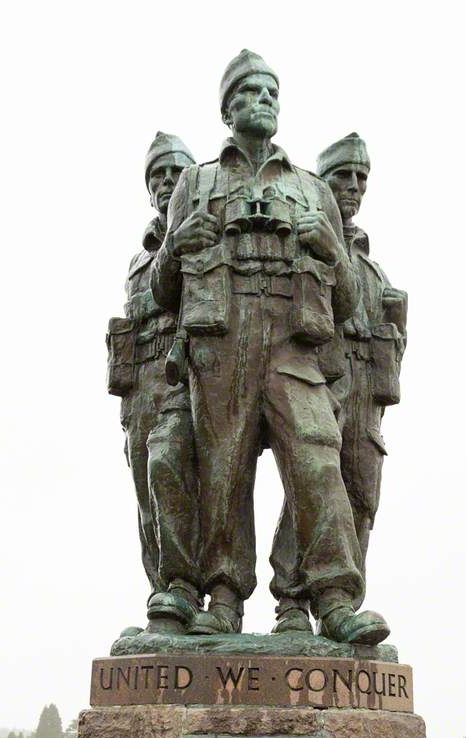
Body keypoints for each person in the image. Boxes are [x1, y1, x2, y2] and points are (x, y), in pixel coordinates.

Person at [151, 52, 389, 644]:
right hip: (222, 340)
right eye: (252, 92)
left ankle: (334, 598)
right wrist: (176, 245)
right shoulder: (196, 182)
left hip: (292, 342)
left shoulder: (312, 190)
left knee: (317, 459)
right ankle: (224, 596)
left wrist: (331, 252)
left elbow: (353, 301)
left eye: (272, 94)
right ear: (228, 107)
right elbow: (162, 292)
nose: (264, 101)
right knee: (222, 468)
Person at [269, 133, 408, 633]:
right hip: (318, 384)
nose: (352, 187)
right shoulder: (298, 242)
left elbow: (395, 345)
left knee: (360, 502)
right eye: (342, 177)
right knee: (308, 488)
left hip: (366, 403)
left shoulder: (373, 269)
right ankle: (291, 602)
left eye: (360, 178)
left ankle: (342, 609)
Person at [106, 131, 202, 631]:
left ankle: (187, 587)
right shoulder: (139, 257)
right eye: (157, 176)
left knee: (172, 471)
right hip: (138, 381)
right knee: (147, 497)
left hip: (183, 373)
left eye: (174, 173)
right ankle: (161, 598)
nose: (166, 183)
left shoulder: (202, 231)